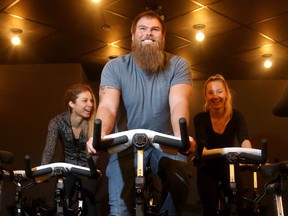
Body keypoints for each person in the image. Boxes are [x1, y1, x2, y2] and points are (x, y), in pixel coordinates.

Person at [86, 10, 195, 216]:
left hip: (164, 143)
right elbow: (108, 106)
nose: (148, 34)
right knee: (120, 211)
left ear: (163, 37)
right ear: (133, 36)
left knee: (179, 179)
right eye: (142, 29)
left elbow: (179, 102)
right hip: (126, 145)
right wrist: (100, 135)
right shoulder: (115, 67)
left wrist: (181, 137)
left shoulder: (177, 65)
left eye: (155, 30)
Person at [193, 74, 252, 216]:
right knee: (209, 210)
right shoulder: (200, 118)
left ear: (226, 93)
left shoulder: (236, 116)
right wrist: (200, 154)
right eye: (211, 92)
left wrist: (250, 155)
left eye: (219, 91)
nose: (215, 96)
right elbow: (202, 143)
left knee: (242, 206)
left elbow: (244, 139)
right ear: (206, 96)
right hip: (207, 167)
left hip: (229, 166)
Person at [41, 83, 99, 216]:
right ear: (72, 104)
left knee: (89, 201)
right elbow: (49, 150)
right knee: (61, 200)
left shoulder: (94, 122)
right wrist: (43, 171)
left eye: (91, 100)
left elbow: (95, 152)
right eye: (85, 100)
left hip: (87, 168)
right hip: (67, 167)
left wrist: (92, 169)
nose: (90, 104)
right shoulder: (57, 122)